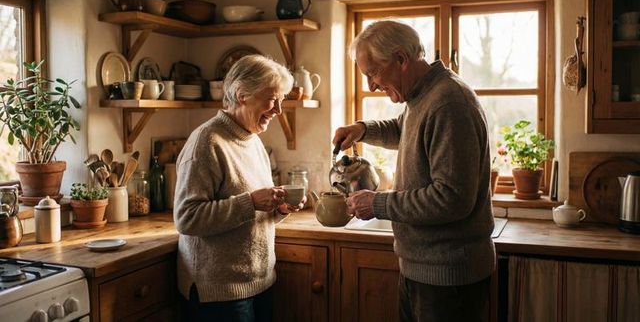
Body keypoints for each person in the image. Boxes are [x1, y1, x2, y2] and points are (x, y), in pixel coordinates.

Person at [333, 20, 496, 321]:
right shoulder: (422, 94)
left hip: (448, 278)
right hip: (424, 270)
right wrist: (361, 129)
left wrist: (377, 203)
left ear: (401, 59)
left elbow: (451, 199)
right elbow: (404, 129)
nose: (370, 85)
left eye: (373, 73)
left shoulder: (448, 102)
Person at [174, 55, 302, 321]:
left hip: (260, 282)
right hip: (219, 292)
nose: (279, 109)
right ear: (243, 95)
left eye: (282, 100)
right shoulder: (206, 141)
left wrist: (278, 208)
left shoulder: (252, 140)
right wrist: (251, 203)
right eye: (273, 99)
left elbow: (252, 210)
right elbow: (187, 218)